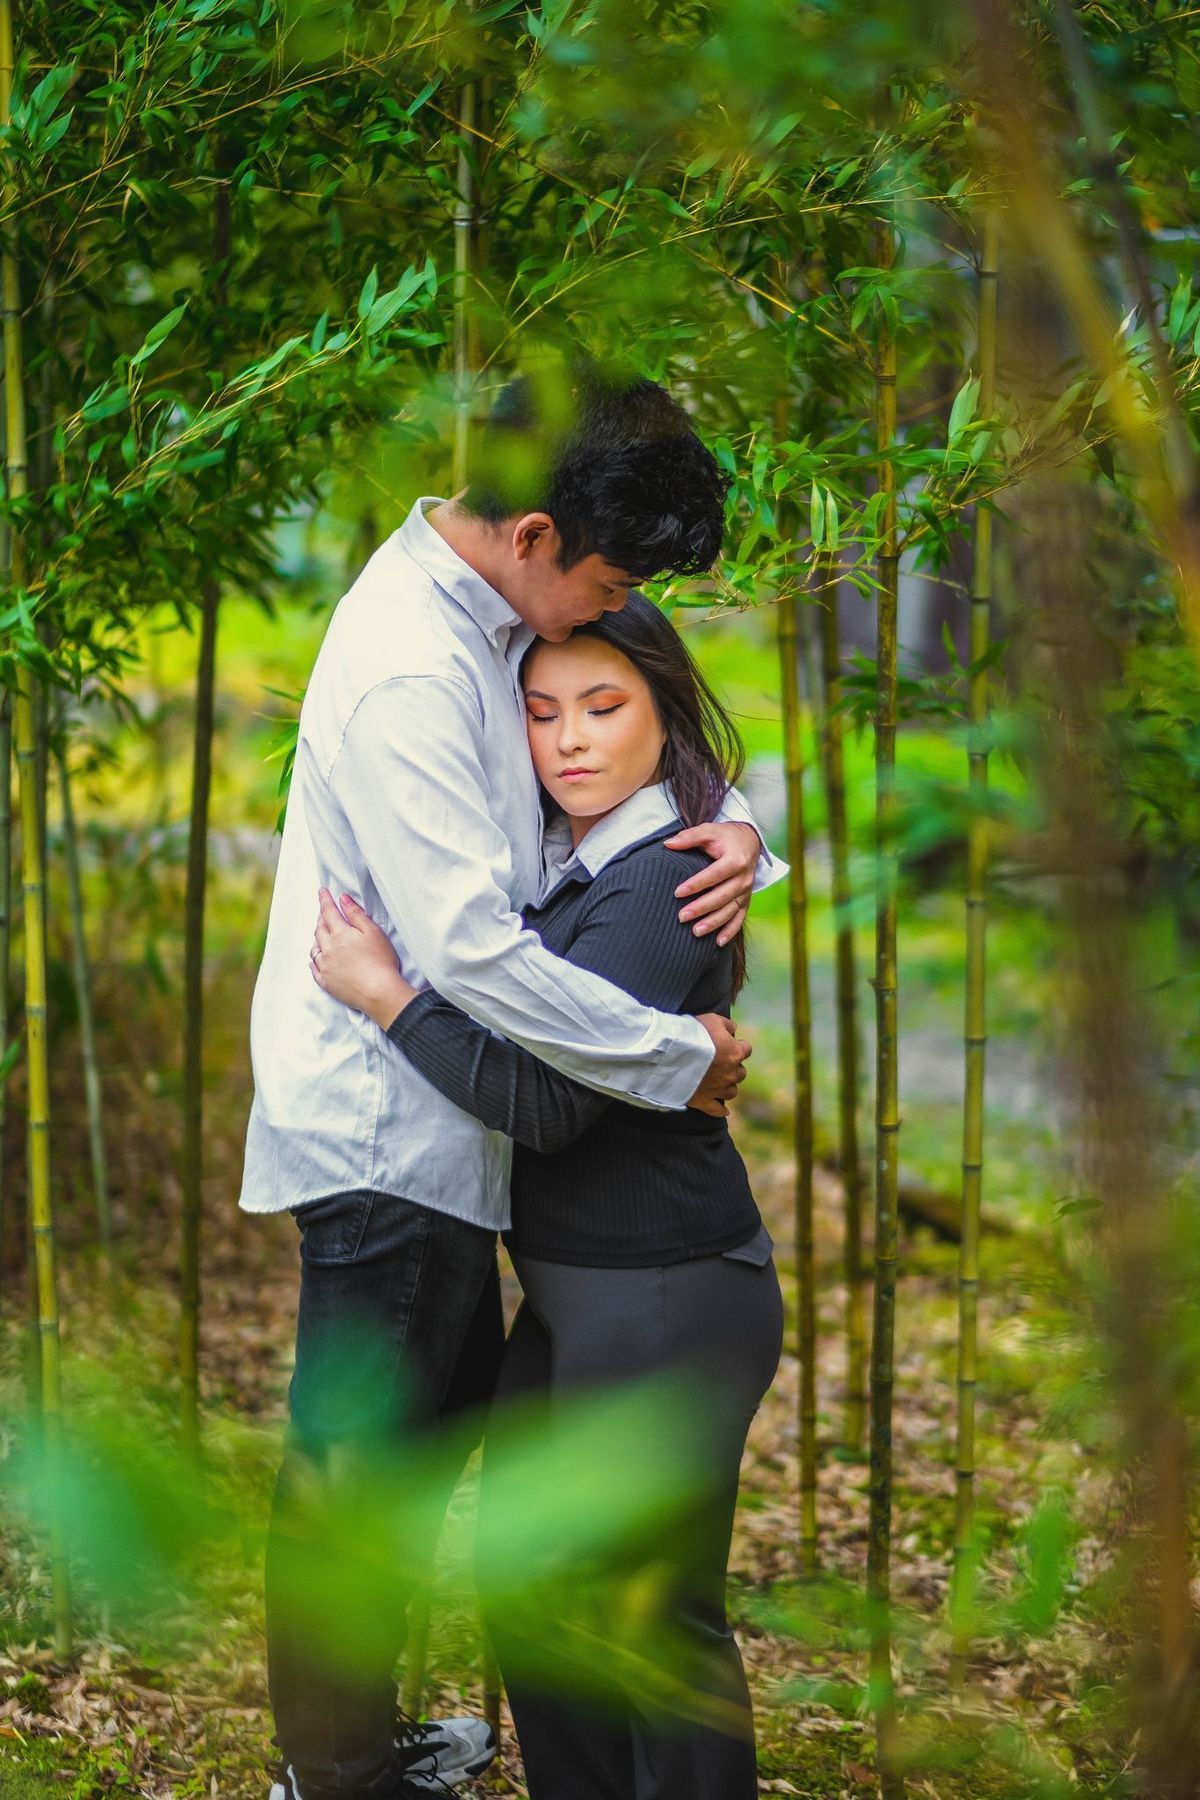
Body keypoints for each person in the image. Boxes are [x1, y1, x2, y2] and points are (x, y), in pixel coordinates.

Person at [240, 359, 781, 1800]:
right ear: (536, 539)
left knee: (426, 1448)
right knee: (360, 1465)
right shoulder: (419, 660)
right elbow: (477, 949)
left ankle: (364, 1743)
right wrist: (676, 1056)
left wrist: (742, 837)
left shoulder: (506, 615)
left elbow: (655, 727)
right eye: (608, 582)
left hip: (460, 1121)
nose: (614, 613)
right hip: (388, 1118)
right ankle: (336, 1773)